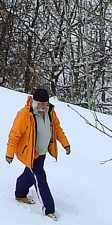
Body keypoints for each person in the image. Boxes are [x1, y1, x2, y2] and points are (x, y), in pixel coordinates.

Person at [5, 87, 71, 217]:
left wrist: (65, 144)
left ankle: (20, 193)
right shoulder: (25, 114)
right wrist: (9, 153)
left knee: (30, 174)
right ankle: (49, 209)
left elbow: (57, 129)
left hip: (43, 152)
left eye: (45, 103)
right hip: (30, 153)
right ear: (34, 102)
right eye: (41, 103)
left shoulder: (50, 112)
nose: (44, 106)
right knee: (40, 178)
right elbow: (14, 135)